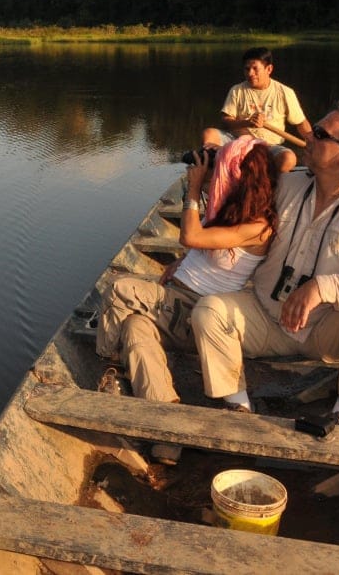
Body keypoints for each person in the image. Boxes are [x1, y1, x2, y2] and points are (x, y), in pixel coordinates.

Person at [190, 98, 339, 424]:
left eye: (320, 133)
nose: (308, 135)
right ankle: (237, 405)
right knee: (208, 311)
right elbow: (234, 212)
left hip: (325, 327)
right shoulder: (288, 185)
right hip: (266, 315)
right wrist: (189, 261)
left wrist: (322, 288)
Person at [96, 136, 278, 462]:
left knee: (119, 288)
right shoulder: (229, 206)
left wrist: (192, 189)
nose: (214, 171)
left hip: (197, 313)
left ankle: (108, 362)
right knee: (136, 329)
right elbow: (200, 244)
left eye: (222, 166)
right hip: (174, 300)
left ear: (242, 175)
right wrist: (182, 261)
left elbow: (191, 234)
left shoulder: (258, 224)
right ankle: (168, 431)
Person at [200, 47, 312, 173]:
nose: (250, 73)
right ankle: (220, 172)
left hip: (269, 147)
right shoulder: (237, 90)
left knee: (289, 159)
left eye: (255, 69)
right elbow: (226, 121)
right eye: (247, 69)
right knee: (209, 134)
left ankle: (265, 180)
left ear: (269, 69)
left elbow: (301, 123)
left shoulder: (284, 92)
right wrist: (247, 122)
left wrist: (313, 142)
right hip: (238, 143)